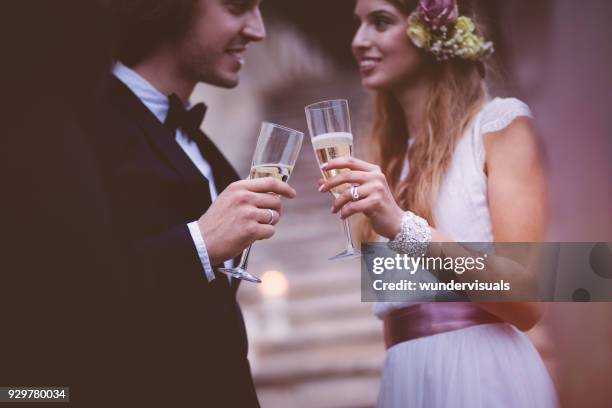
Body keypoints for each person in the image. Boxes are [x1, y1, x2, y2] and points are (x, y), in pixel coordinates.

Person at [319, 0, 559, 406]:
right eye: (358, 25)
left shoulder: (500, 125)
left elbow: (526, 298)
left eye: (380, 22)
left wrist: (402, 227)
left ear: (434, 34)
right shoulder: (388, 158)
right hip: (406, 377)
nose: (359, 41)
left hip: (482, 377)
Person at [94, 0, 296, 405]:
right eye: (239, 7)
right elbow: (66, 295)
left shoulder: (204, 150)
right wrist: (199, 244)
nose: (258, 31)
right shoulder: (82, 125)